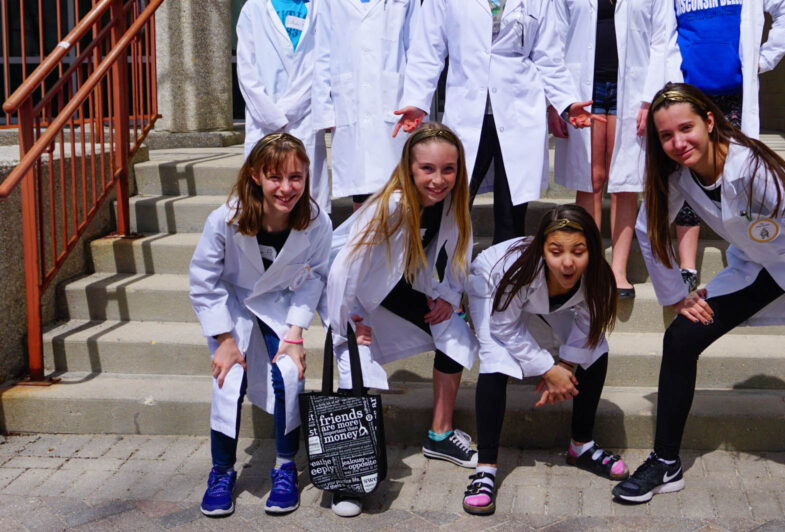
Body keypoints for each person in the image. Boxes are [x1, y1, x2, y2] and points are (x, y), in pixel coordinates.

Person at [617, 83, 785, 532]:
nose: (678, 143)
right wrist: (675, 294)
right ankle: (665, 462)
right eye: (666, 135)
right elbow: (647, 231)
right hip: (760, 265)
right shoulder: (677, 176)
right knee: (680, 338)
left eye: (686, 128)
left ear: (709, 121)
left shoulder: (754, 168)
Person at [394, 0, 599, 245]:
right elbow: (428, 49)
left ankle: (505, 291)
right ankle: (440, 289)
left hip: (519, 114)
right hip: (466, 114)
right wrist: (416, 101)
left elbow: (548, 57)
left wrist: (567, 103)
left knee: (510, 213)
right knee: (448, 205)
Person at [324, 122, 478, 517]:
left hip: (390, 286)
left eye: (448, 169)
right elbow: (343, 267)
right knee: (356, 365)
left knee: (454, 332)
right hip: (348, 294)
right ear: (409, 168)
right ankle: (348, 480)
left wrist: (449, 296)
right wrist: (344, 324)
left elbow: (460, 245)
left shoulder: (451, 202)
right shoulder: (390, 204)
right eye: (427, 169)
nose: (439, 179)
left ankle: (440, 435)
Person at [189, 133, 333, 517]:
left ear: (306, 177)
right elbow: (204, 280)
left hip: (281, 305)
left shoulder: (316, 223)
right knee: (228, 379)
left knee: (289, 372)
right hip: (233, 305)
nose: (287, 188)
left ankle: (285, 467)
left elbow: (316, 277)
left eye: (296, 178)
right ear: (255, 175)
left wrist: (295, 333)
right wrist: (223, 338)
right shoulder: (224, 219)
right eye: (275, 177)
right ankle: (221, 471)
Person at [662, 0, 785, 295]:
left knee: (736, 177)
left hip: (736, 97)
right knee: (688, 176)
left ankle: (745, 253)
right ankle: (687, 265)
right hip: (691, 99)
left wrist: (765, 59)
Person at [461, 204, 625, 516]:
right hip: (490, 285)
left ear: (592, 249)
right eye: (556, 251)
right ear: (542, 250)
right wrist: (547, 368)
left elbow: (588, 325)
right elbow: (504, 325)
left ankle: (582, 446)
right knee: (497, 360)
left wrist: (566, 366)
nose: (567, 262)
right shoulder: (515, 270)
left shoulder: (597, 277)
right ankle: (485, 469)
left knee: (595, 350)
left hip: (531, 299)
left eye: (579, 251)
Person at [552, 0, 675, 297]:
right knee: (592, 179)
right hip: (585, 93)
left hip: (632, 92)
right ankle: (590, 267)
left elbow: (662, 41)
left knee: (625, 182)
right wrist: (558, 101)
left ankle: (618, 271)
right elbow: (552, 46)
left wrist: (650, 98)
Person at [313, 0, 420, 211]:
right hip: (351, 104)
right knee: (361, 194)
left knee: (396, 193)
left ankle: (397, 259)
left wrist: (416, 100)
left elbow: (417, 49)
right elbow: (323, 52)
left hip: (394, 102)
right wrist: (325, 110)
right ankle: (366, 256)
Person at [236, 0, 329, 211]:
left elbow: (320, 65)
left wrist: (287, 111)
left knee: (307, 197)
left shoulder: (320, 8)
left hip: (304, 116)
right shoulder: (253, 9)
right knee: (263, 196)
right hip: (264, 118)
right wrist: (271, 115)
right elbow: (246, 71)